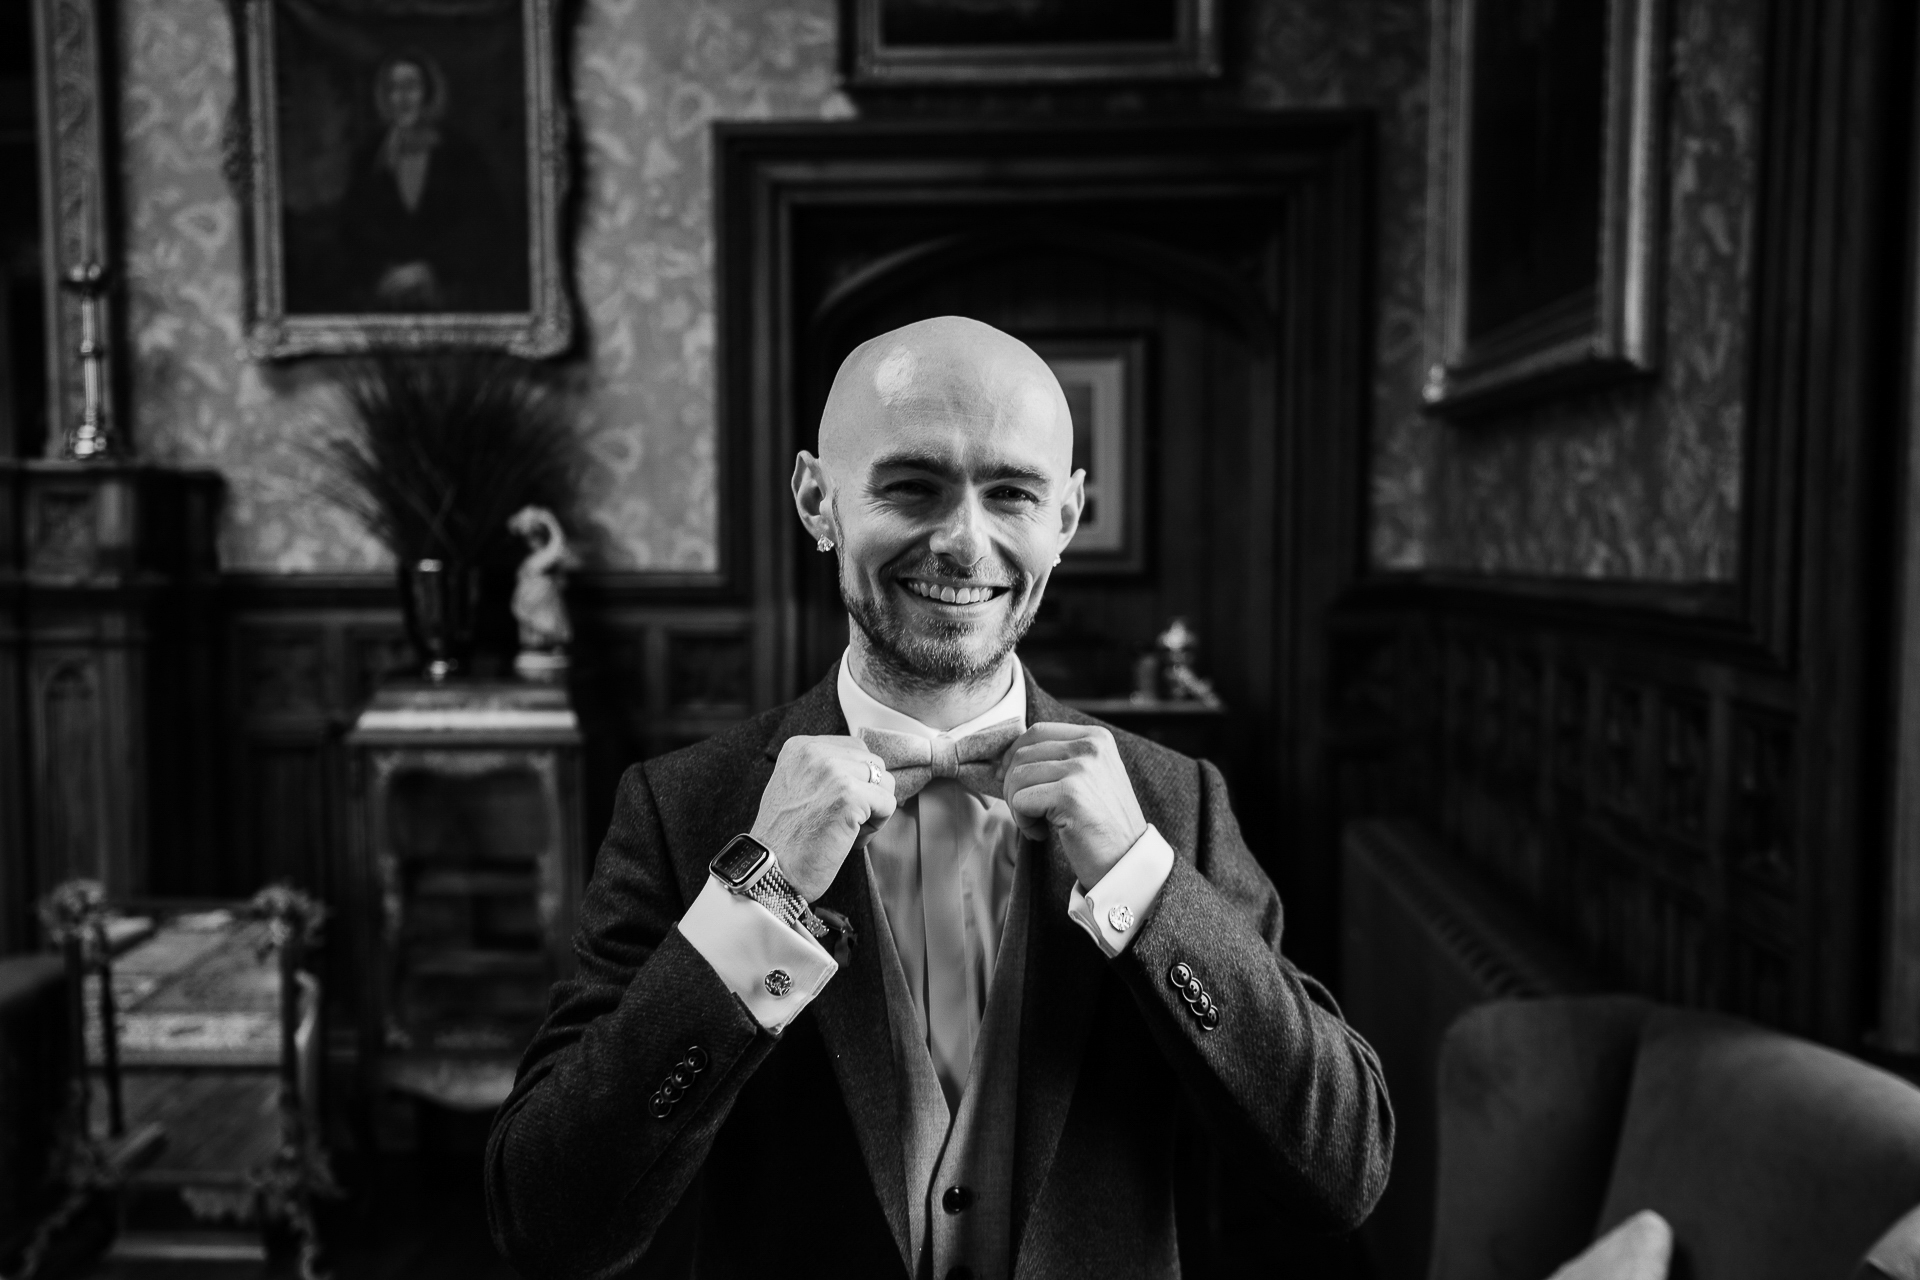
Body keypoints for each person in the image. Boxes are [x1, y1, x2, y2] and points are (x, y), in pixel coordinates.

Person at [485, 316, 1392, 1279]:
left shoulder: (1175, 804)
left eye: (1012, 493)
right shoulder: (682, 808)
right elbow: (545, 1219)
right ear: (816, 500)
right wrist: (754, 903)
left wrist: (1144, 885)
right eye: (912, 486)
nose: (964, 541)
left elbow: (1341, 1172)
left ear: (1066, 518)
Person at [333, 55, 526, 314]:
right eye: (393, 88)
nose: (401, 98)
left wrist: (429, 269)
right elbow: (352, 234)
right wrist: (384, 273)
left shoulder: (461, 154)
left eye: (411, 87)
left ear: (428, 93)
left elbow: (485, 229)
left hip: (452, 296)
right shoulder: (369, 159)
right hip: (384, 298)